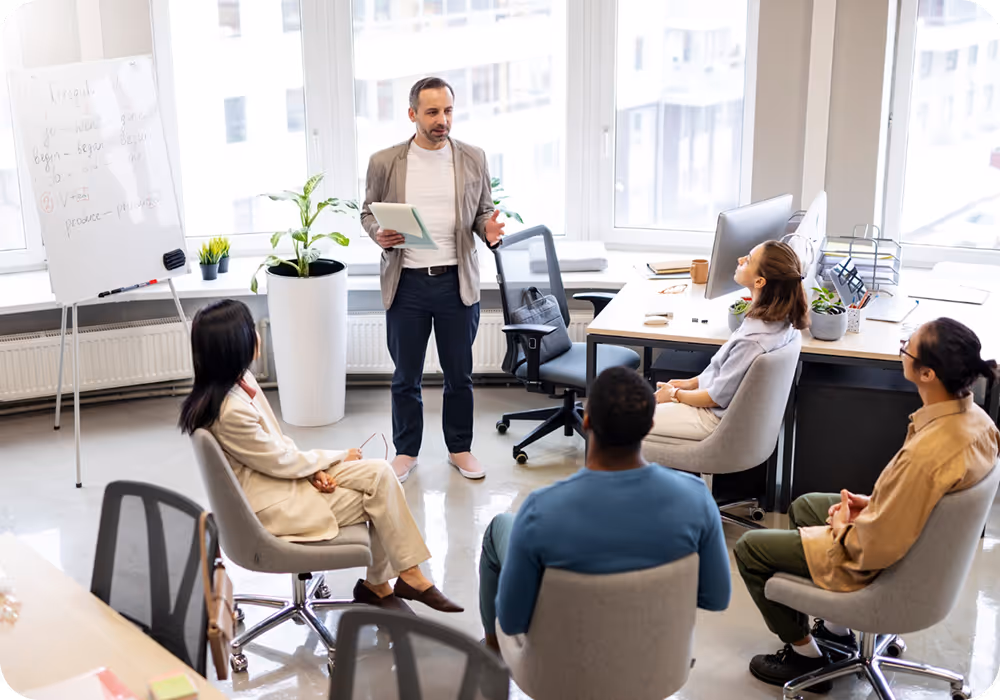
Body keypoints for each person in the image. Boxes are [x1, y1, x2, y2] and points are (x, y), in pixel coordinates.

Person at [734, 318, 1000, 689]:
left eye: (907, 347)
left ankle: (803, 656)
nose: (901, 350)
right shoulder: (977, 423)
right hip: (917, 539)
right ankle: (837, 629)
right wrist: (875, 504)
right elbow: (928, 499)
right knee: (806, 507)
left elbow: (874, 547)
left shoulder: (927, 454)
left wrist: (843, 525)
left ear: (927, 374)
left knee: (750, 550)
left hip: (884, 558)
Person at [179, 300, 463, 615]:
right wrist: (336, 458)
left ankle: (394, 580)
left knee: (381, 473)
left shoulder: (239, 383)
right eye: (250, 329)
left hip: (280, 477)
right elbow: (277, 461)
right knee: (381, 498)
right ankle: (393, 582)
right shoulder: (231, 411)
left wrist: (315, 471)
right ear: (234, 344)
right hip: (274, 502)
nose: (257, 335)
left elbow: (275, 447)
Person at [478, 366, 731, 652]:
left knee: (500, 526)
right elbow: (716, 597)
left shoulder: (542, 508)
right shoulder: (697, 499)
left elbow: (512, 621)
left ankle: (491, 649)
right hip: (655, 664)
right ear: (650, 425)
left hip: (559, 664)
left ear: (586, 421)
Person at [360, 76, 505, 484]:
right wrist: (378, 233)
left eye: (448, 111)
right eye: (432, 112)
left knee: (459, 375)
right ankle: (406, 452)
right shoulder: (385, 161)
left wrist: (488, 229)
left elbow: (483, 211)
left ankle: (460, 449)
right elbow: (368, 212)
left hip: (455, 283)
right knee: (405, 377)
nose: (443, 120)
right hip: (406, 283)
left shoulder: (473, 157)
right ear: (412, 114)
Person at [650, 240, 808, 443]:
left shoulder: (752, 341)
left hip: (709, 418)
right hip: (711, 407)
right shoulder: (779, 322)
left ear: (759, 282)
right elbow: (724, 376)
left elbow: (716, 397)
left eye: (748, 260)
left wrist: (675, 394)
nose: (740, 260)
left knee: (621, 419)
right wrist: (690, 383)